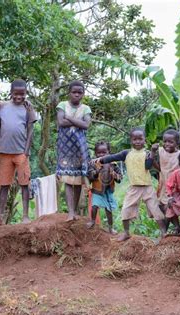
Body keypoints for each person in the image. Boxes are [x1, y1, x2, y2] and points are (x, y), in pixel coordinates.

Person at [91, 127, 166, 242]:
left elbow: (148, 166)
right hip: (134, 187)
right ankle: (126, 233)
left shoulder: (147, 153)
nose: (137, 141)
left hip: (147, 187)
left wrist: (153, 152)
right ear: (131, 140)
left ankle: (164, 233)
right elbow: (112, 157)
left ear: (144, 140)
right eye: (134, 139)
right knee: (126, 210)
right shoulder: (126, 153)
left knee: (155, 210)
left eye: (140, 139)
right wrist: (100, 159)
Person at [0, 79, 37, 226]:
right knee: (4, 184)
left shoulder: (28, 108)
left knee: (24, 183)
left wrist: (26, 151)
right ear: (11, 93)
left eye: (22, 94)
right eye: (16, 94)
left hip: (21, 153)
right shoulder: (2, 106)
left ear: (26, 93)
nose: (19, 97)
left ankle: (25, 216)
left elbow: (31, 130)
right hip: (5, 152)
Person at [56, 80, 91, 222]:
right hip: (65, 149)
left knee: (78, 180)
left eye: (80, 92)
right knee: (68, 180)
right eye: (74, 92)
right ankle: (70, 212)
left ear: (83, 94)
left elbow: (86, 125)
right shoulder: (62, 105)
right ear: (69, 92)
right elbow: (60, 122)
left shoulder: (86, 108)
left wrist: (69, 117)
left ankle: (75, 211)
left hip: (80, 149)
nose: (77, 95)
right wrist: (78, 122)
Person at [87, 141, 122, 233]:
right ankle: (92, 221)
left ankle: (110, 228)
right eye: (99, 152)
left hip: (108, 191)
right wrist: (96, 172)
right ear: (95, 153)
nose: (101, 155)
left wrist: (115, 175)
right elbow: (90, 176)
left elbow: (120, 178)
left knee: (109, 210)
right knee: (94, 206)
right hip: (97, 190)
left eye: (104, 152)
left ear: (109, 152)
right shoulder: (93, 164)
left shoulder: (113, 164)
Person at [151, 129, 180, 217]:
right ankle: (176, 227)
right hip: (163, 183)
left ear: (177, 143)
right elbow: (154, 163)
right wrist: (153, 151)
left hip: (173, 185)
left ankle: (170, 227)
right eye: (165, 141)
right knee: (161, 204)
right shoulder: (160, 151)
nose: (167, 144)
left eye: (170, 142)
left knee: (170, 205)